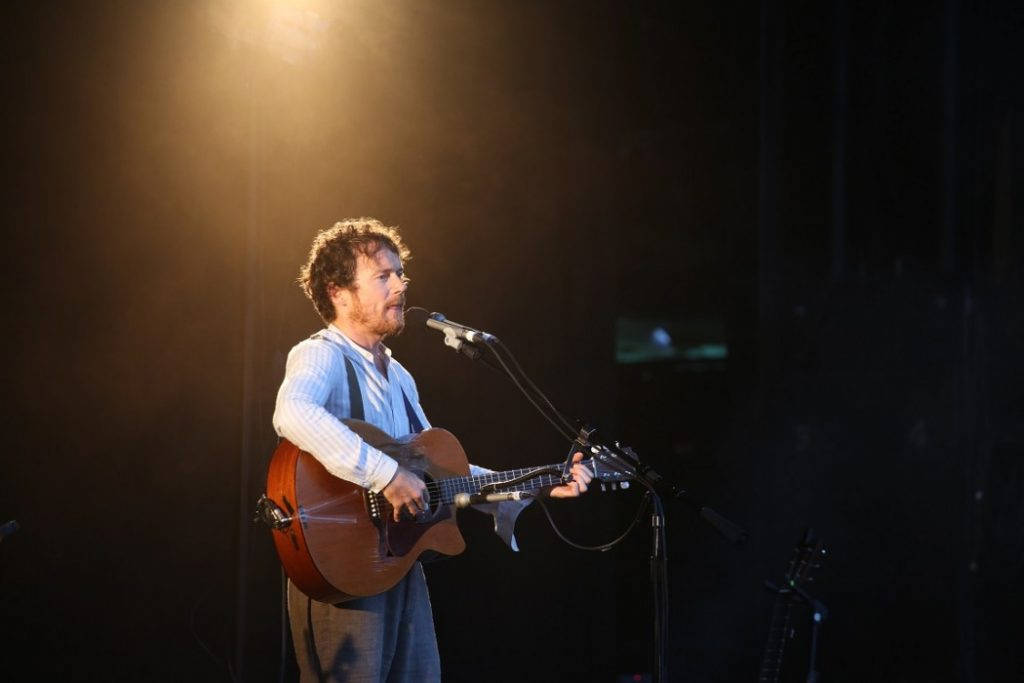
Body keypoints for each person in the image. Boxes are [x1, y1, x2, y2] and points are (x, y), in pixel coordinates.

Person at [273, 217, 593, 682]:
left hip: (398, 561)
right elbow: (292, 412)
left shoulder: (400, 377)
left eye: (400, 274)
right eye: (383, 275)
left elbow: (442, 472)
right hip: (339, 561)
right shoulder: (321, 353)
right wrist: (386, 475)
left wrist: (536, 484)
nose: (401, 284)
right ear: (339, 293)